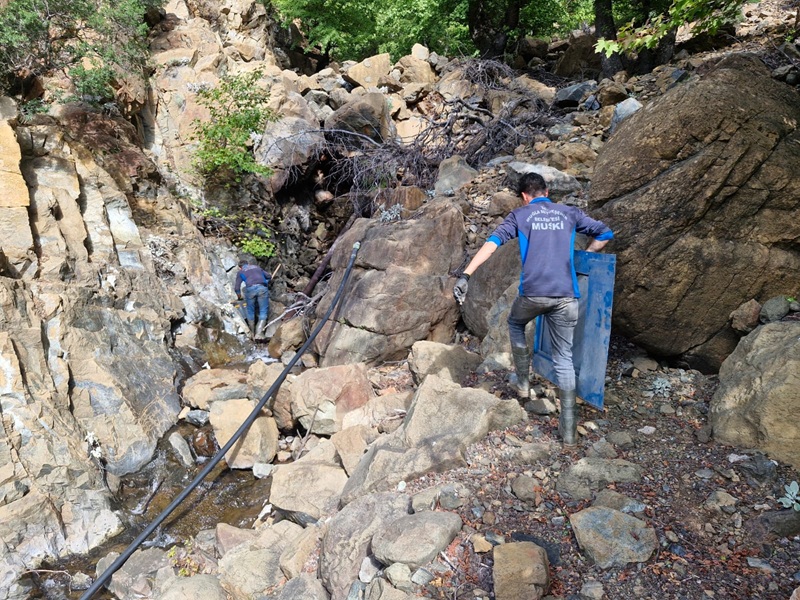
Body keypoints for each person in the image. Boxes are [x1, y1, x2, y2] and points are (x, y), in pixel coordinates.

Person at [453, 172, 614, 446]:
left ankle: (524, 385)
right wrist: (586, 257)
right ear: (546, 191)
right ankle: (569, 433)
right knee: (563, 359)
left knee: (515, 324)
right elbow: (605, 233)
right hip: (565, 296)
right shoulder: (569, 213)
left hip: (532, 295)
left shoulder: (520, 216)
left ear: (524, 196)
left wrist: (466, 275)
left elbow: (491, 246)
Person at [235, 257, 271, 339]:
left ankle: (252, 333)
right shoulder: (257, 267)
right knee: (263, 311)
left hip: (250, 290)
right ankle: (259, 333)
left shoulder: (240, 272)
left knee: (250, 310)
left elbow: (237, 287)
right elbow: (268, 276)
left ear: (240, 267)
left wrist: (239, 296)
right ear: (248, 264)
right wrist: (266, 283)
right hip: (262, 288)